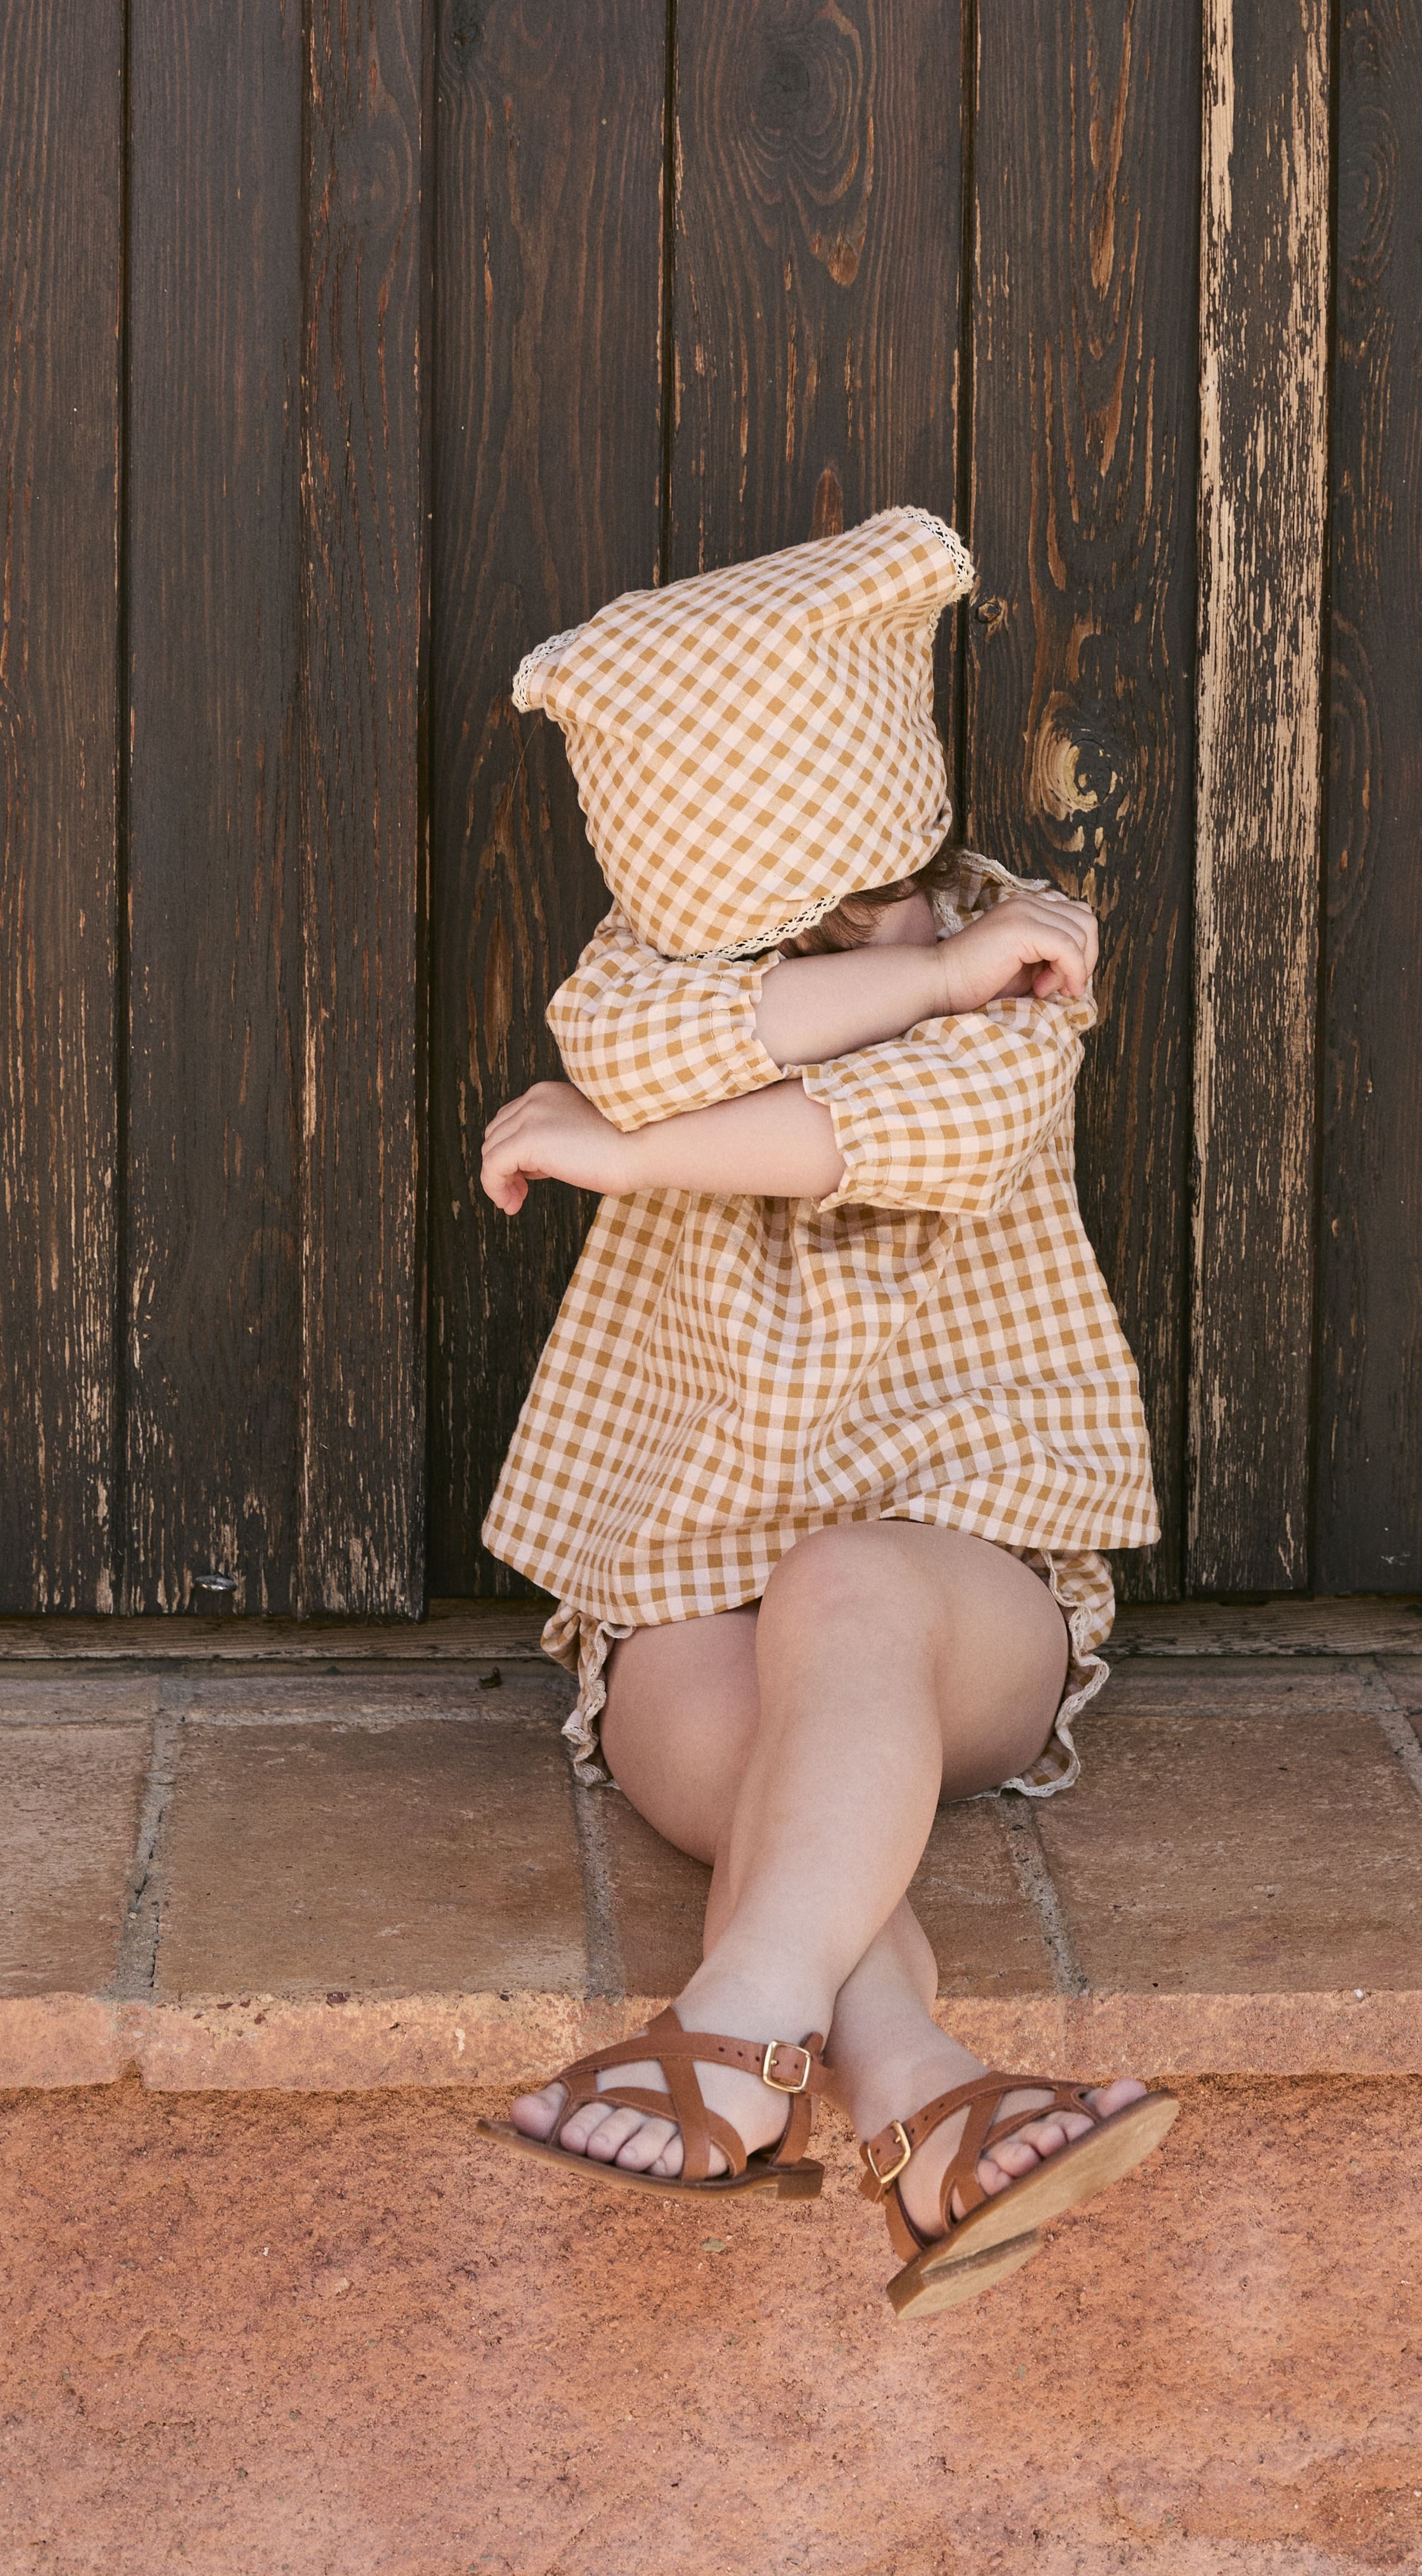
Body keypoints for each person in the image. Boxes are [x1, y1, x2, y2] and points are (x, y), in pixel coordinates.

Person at [474, 505, 1177, 2317]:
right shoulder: (661, 963)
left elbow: (866, 1129)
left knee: (845, 1586)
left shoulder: (1017, 982)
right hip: (689, 1589)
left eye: (850, 935)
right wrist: (684, 1062)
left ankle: (732, 2030)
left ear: (922, 872)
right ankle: (923, 2102)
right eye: (761, 958)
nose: (793, 979)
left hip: (955, 1600)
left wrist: (629, 1151)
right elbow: (637, 1038)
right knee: (753, 1753)